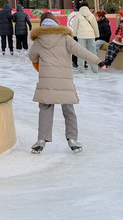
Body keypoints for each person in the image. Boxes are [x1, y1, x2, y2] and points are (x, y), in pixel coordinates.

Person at [26, 13, 103, 153]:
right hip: (64, 81)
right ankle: (72, 139)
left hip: (47, 81)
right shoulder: (65, 37)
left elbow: (32, 56)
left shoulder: (39, 40)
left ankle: (41, 140)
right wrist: (98, 61)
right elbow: (81, 51)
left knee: (45, 109)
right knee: (69, 111)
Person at [70, 5, 99, 71]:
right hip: (91, 35)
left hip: (81, 36)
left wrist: (75, 35)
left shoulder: (78, 15)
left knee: (81, 52)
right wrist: (97, 34)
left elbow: (75, 25)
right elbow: (95, 26)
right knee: (93, 52)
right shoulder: (91, 15)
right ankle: (95, 68)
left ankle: (81, 68)